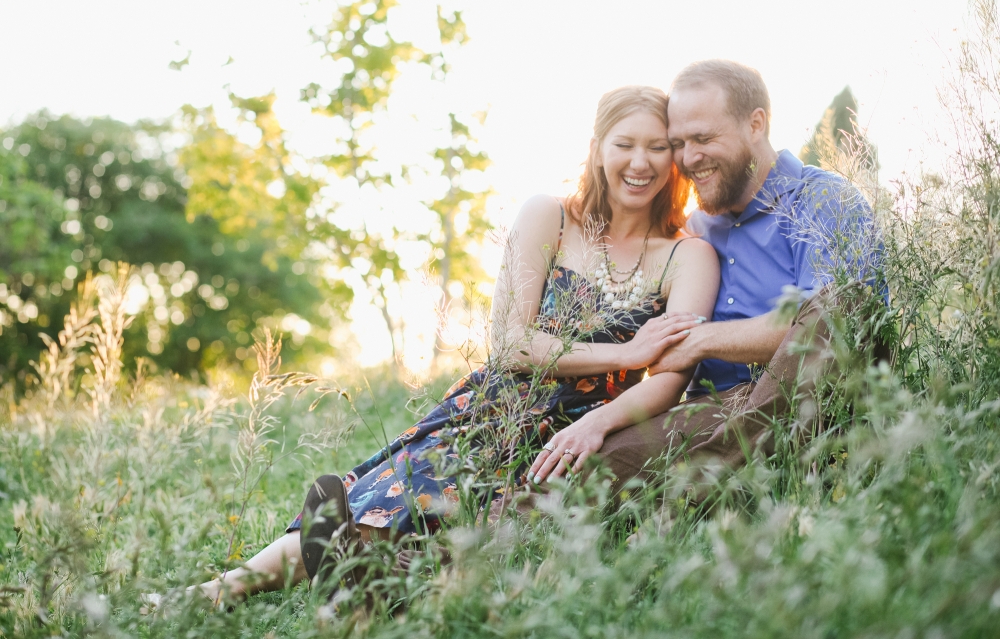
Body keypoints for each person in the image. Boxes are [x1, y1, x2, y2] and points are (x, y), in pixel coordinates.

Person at [163, 85, 720, 606]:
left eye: (658, 147)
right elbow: (509, 345)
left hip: (580, 430)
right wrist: (625, 355)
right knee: (394, 487)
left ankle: (357, 573)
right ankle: (218, 592)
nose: (640, 162)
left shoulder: (686, 256)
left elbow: (671, 378)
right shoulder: (549, 215)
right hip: (496, 403)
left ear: (675, 158)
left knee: (456, 512)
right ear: (598, 148)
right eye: (625, 144)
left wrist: (597, 423)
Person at [597, 60, 881, 492]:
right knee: (598, 460)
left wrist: (700, 341)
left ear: (756, 124)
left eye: (704, 138)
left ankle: (704, 479)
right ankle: (467, 543)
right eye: (679, 143)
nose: (689, 158)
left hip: (815, 405)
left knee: (840, 305)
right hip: (707, 411)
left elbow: (833, 328)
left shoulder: (825, 201)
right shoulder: (694, 231)